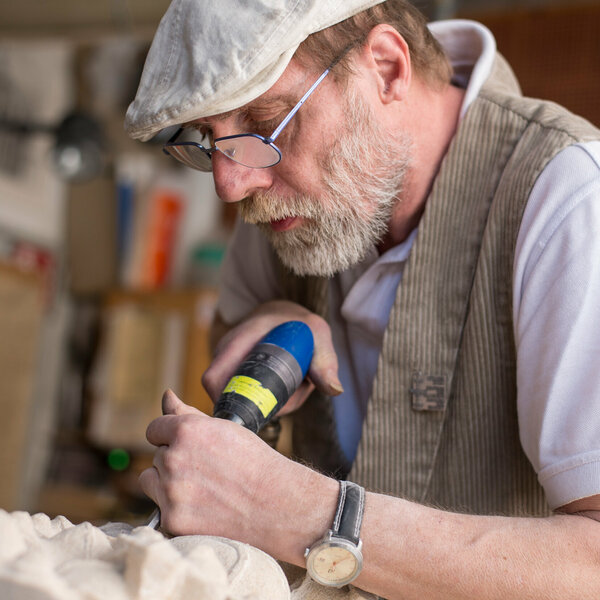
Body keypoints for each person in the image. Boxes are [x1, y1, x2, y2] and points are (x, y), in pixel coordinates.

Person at [125, 1, 600, 597]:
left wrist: (302, 511)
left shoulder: (570, 199)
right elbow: (231, 356)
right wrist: (273, 319)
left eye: (267, 121)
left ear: (386, 68)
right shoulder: (274, 196)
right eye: (206, 141)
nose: (230, 185)